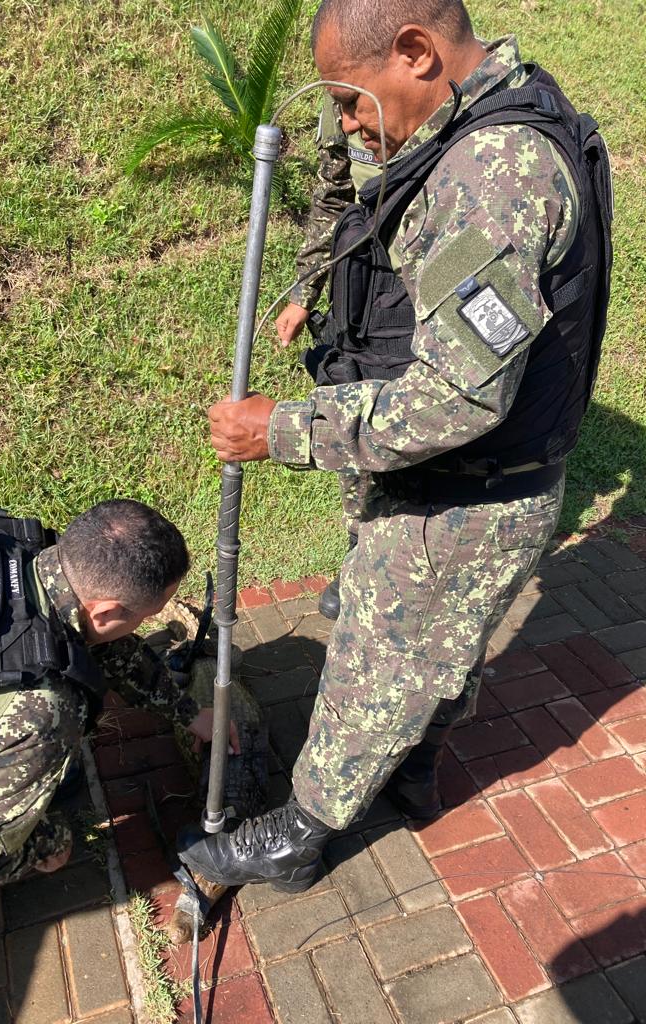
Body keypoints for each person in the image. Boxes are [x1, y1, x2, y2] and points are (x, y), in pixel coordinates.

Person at [179, 0, 612, 892]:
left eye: (348, 100)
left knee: (377, 663)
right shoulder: (495, 104)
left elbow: (458, 397)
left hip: (465, 492)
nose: (344, 124)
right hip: (480, 482)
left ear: (415, 51)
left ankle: (299, 836)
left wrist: (282, 431)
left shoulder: (493, 176)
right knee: (441, 649)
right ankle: (413, 776)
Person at [0, 500, 237, 954]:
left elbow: (101, 645)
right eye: (146, 616)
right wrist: (43, 845)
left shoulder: (5, 539)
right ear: (105, 612)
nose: (146, 625)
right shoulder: (42, 712)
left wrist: (188, 713)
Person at [276, 102, 384, 619]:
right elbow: (334, 197)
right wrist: (305, 292)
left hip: (431, 291)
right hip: (362, 291)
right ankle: (360, 555)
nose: (345, 121)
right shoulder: (343, 99)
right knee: (352, 410)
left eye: (352, 106)